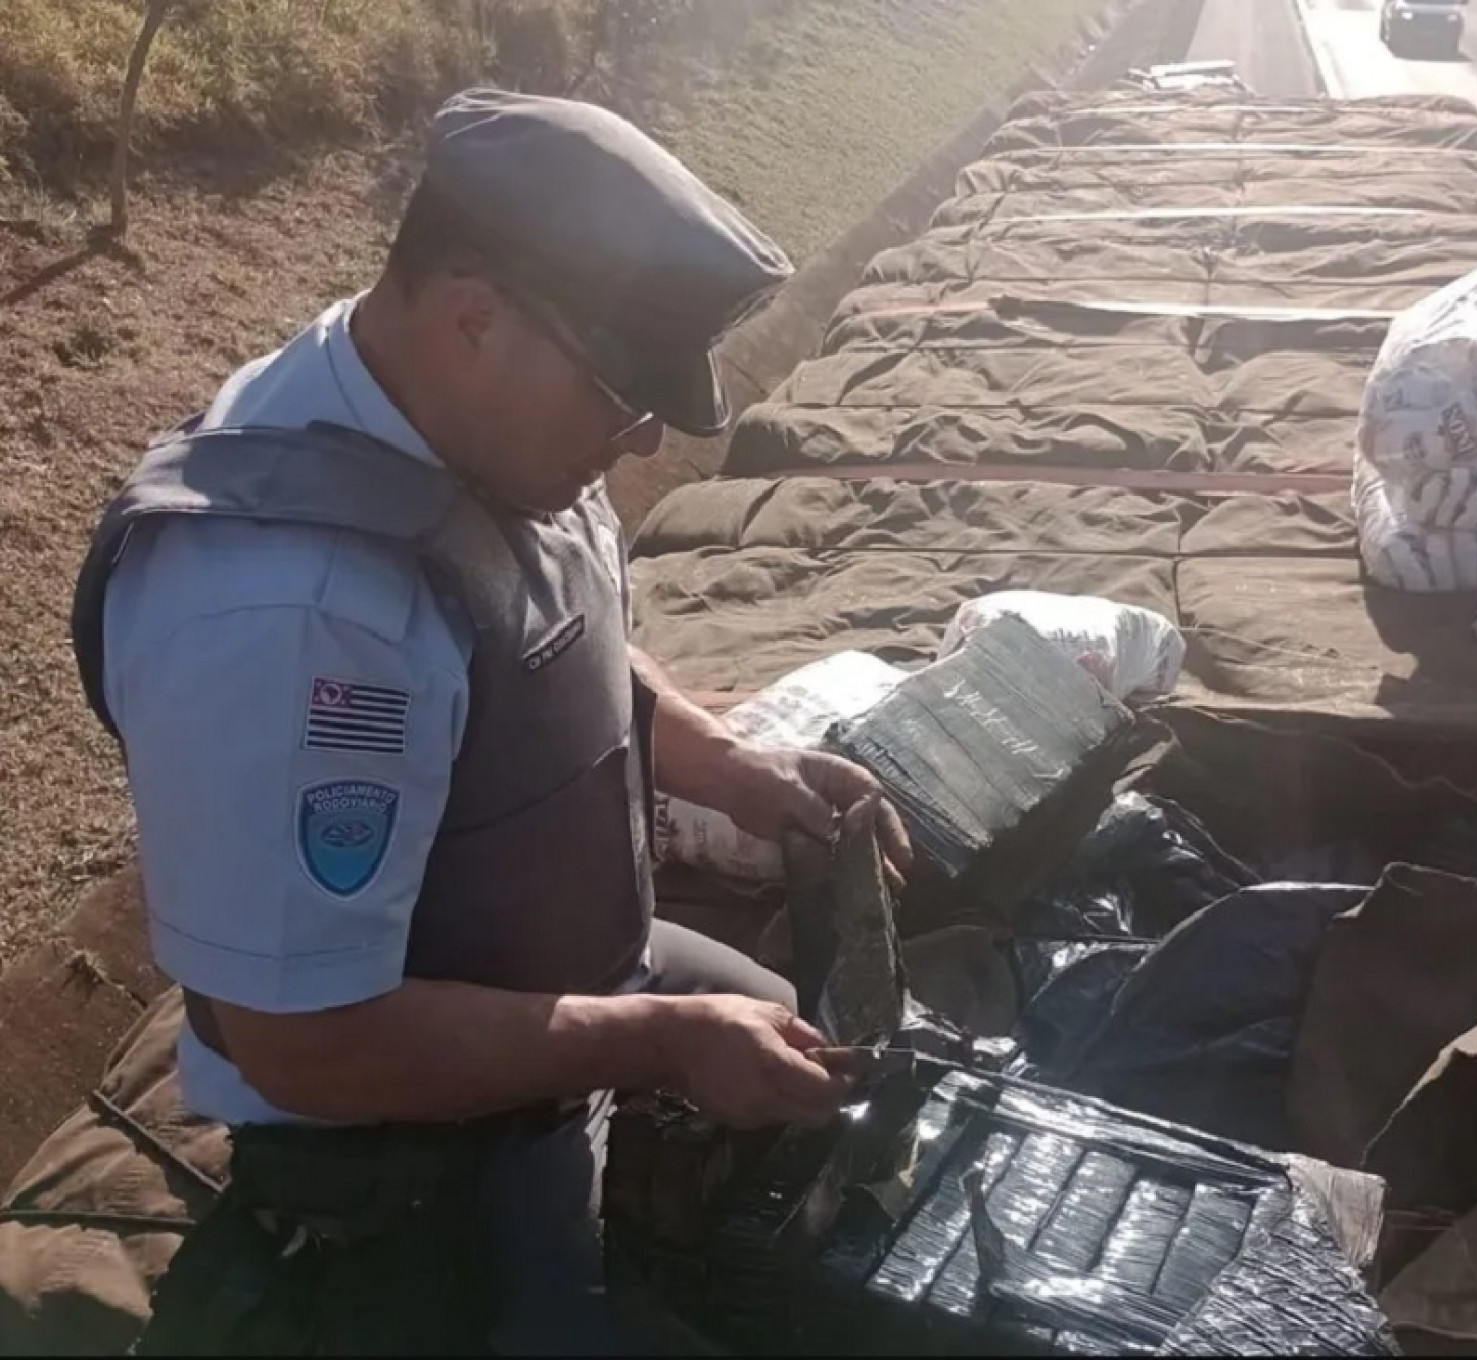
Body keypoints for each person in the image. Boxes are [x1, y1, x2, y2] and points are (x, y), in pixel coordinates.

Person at [68, 87, 910, 1354]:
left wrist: (732, 765)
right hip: (402, 1143)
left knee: (829, 1086)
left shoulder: (472, 414)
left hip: (577, 976)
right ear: (472, 315)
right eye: (618, 400)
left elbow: (552, 631)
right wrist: (666, 1041)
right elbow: (311, 1048)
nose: (635, 442)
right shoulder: (296, 615)